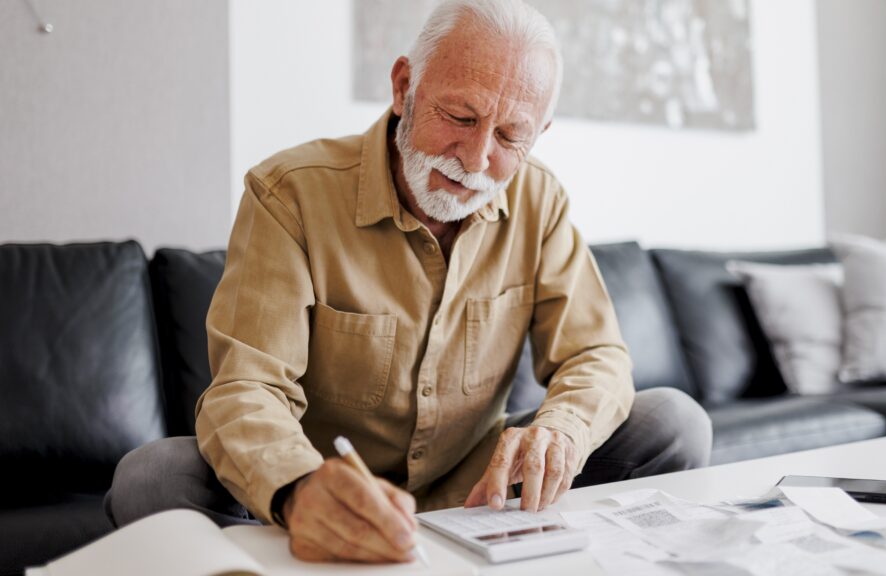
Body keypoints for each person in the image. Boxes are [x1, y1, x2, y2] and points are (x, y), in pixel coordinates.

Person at [105, 0, 712, 564]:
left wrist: (562, 430)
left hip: (478, 489)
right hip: (322, 480)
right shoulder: (289, 192)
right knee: (152, 477)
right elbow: (247, 387)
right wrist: (296, 488)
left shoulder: (541, 199)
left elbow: (597, 354)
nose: (475, 161)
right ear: (404, 89)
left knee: (675, 421)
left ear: (539, 135)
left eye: (508, 136)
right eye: (460, 116)